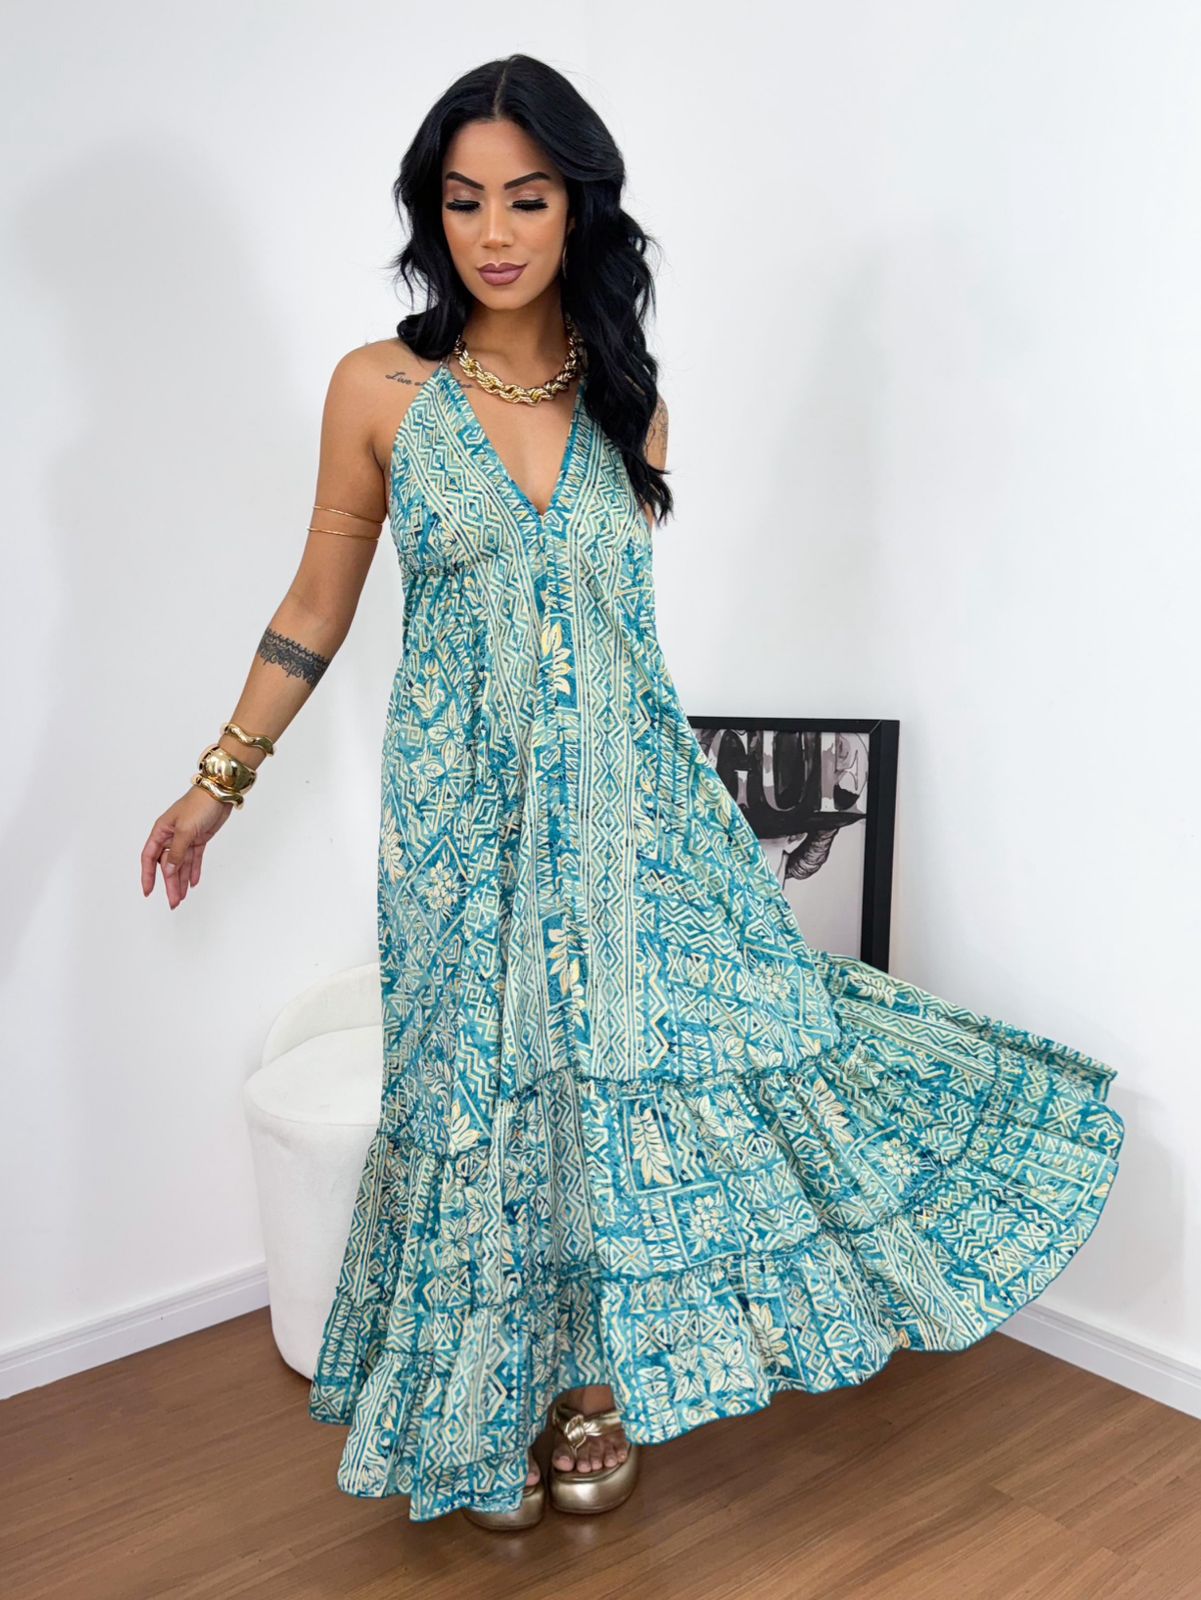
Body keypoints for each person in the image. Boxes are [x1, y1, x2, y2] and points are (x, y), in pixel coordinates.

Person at [140, 54, 1125, 1531]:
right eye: (463, 200)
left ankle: (592, 1390)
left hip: (636, 820)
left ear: (578, 208)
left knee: (642, 1088)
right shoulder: (380, 389)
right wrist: (221, 776)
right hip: (460, 830)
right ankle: (484, 1411)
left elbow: (625, 650)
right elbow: (315, 609)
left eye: (525, 198)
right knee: (478, 1093)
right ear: (431, 213)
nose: (493, 232)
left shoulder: (632, 406)